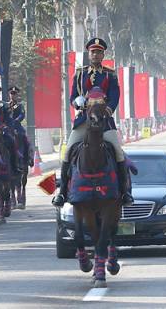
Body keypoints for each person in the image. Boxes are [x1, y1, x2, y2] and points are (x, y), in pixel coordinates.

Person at [52, 37, 133, 207]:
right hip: (83, 121)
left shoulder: (110, 74)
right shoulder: (80, 73)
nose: (95, 54)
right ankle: (62, 193)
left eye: (99, 52)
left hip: (104, 121)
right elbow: (72, 96)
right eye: (92, 52)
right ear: (89, 54)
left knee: (118, 152)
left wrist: (106, 111)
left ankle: (125, 192)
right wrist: (77, 102)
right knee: (67, 153)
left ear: (103, 54)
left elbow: (114, 97)